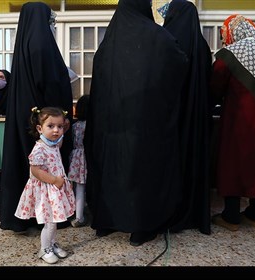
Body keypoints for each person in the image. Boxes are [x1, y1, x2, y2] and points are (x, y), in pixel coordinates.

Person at [84, 0, 189, 246]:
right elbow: (180, 63)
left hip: (110, 127)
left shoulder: (109, 40)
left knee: (110, 170)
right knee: (141, 172)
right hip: (144, 125)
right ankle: (140, 228)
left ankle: (105, 222)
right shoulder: (157, 36)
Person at [0, 2, 73, 232]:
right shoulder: (42, 44)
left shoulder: (24, 43)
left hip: (27, 113)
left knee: (25, 165)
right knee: (44, 167)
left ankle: (22, 217)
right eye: (50, 20)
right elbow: (50, 83)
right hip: (43, 118)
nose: (52, 24)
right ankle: (46, 215)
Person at [210, 15, 255, 231]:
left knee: (233, 160)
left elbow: (215, 87)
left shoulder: (230, 55)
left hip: (238, 119)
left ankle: (231, 217)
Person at [162, 0, 213, 234]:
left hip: (170, 119)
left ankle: (167, 212)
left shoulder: (166, 40)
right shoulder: (202, 46)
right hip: (196, 120)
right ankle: (193, 212)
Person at [14, 107, 75, 264]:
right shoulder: (40, 148)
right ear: (40, 128)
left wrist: (65, 128)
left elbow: (59, 140)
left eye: (59, 126)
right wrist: (54, 180)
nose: (56, 130)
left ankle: (52, 244)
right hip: (46, 190)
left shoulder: (53, 143)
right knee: (49, 222)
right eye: (51, 126)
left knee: (54, 221)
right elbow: (35, 170)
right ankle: (44, 248)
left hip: (54, 189)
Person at [68, 94, 90, 228]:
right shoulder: (92, 126)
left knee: (75, 187)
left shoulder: (75, 126)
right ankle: (80, 217)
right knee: (83, 187)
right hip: (86, 156)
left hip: (75, 155)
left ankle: (75, 213)